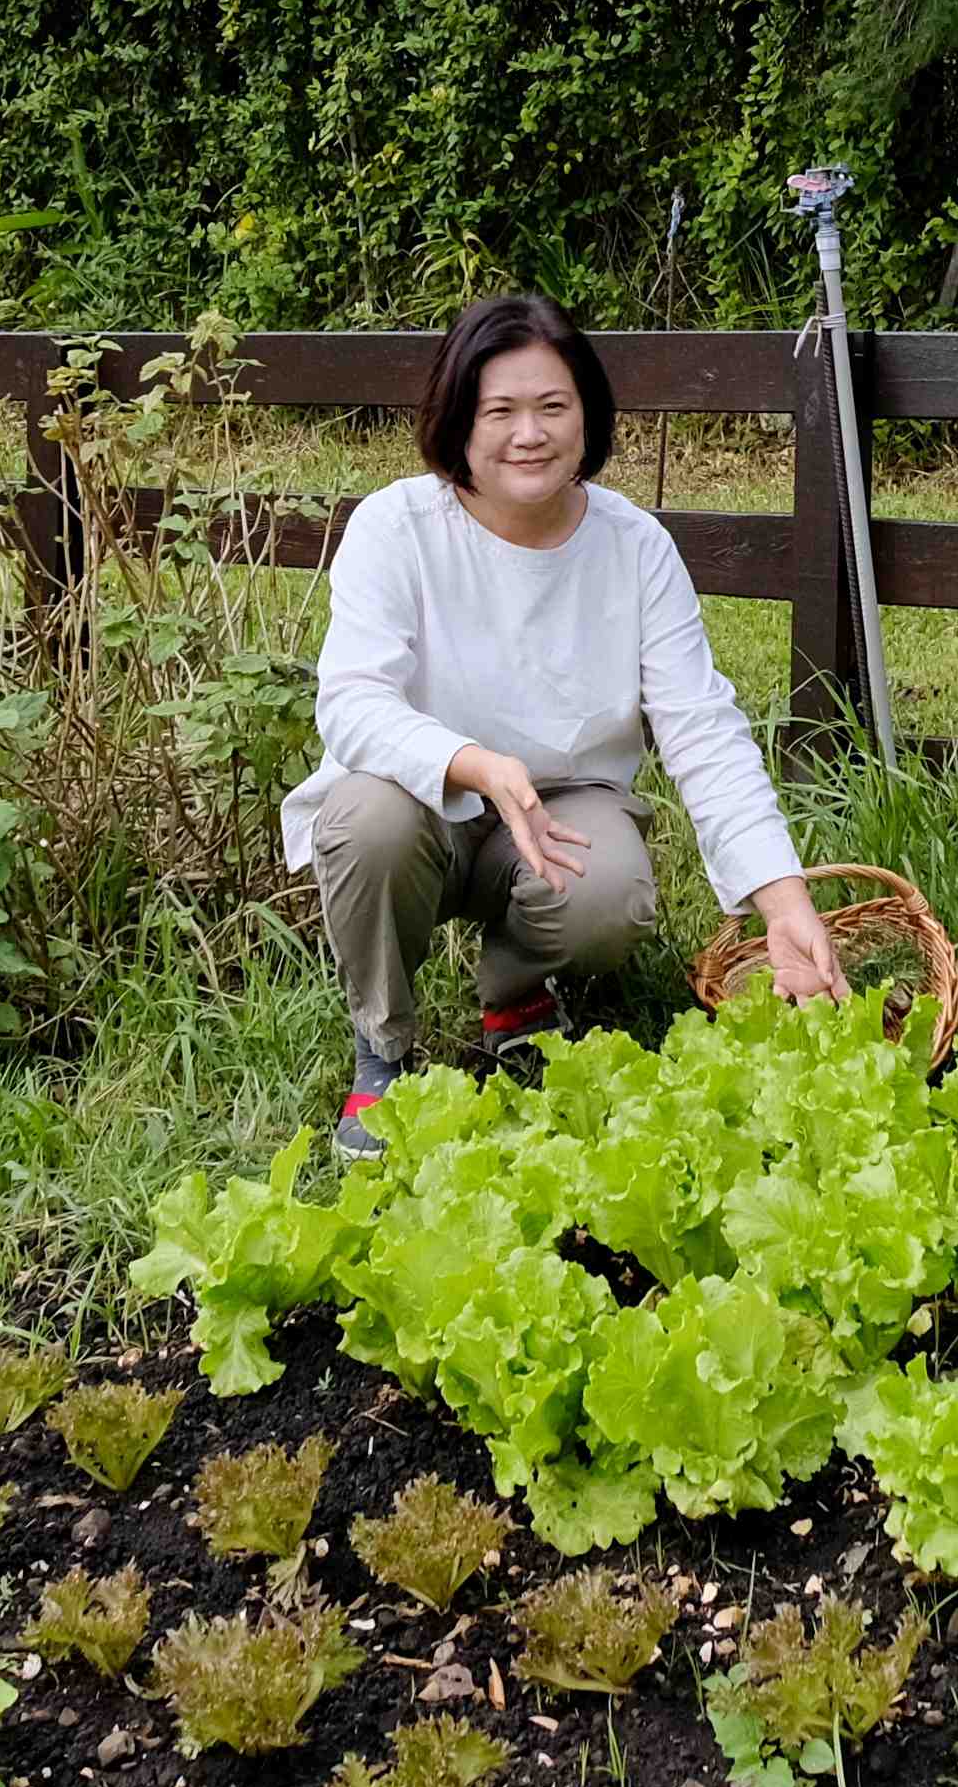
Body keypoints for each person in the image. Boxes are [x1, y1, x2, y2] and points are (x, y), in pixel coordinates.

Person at [292, 290, 845, 1152]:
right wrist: (474, 763)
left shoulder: (633, 546)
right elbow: (352, 702)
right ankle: (383, 1048)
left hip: (558, 811)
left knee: (611, 892)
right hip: (419, 806)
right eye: (500, 409)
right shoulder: (396, 526)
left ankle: (514, 995)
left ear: (588, 416)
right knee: (367, 820)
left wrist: (783, 897)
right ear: (456, 420)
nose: (529, 433)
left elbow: (701, 726)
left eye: (553, 407)